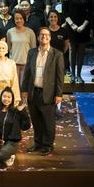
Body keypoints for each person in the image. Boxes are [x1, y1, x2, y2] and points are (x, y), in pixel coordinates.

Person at [21, 27, 64, 156]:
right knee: (36, 120)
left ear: (50, 37)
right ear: (38, 37)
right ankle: (38, 143)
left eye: (46, 35)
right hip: (33, 91)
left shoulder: (57, 54)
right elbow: (27, 72)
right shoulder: (32, 52)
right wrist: (24, 89)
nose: (44, 37)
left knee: (48, 121)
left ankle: (48, 145)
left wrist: (59, 94)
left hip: (48, 93)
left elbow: (59, 76)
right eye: (41, 35)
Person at [0, 87, 31, 168]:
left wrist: (23, 112)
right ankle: (4, 156)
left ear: (12, 99)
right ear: (1, 97)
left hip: (11, 143)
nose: (6, 99)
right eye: (4, 96)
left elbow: (26, 127)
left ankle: (10, 156)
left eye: (9, 97)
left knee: (0, 155)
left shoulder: (15, 112)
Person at [62, 0, 92, 84]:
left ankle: (79, 75)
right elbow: (65, 12)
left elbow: (90, 14)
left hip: (84, 28)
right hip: (71, 27)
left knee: (81, 51)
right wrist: (72, 25)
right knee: (72, 50)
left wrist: (83, 26)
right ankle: (73, 75)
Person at [6, 10, 36, 84]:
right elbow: (9, 48)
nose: (19, 20)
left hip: (26, 65)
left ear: (24, 19)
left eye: (21, 18)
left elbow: (33, 50)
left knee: (24, 88)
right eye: (16, 18)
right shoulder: (10, 32)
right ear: (14, 19)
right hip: (13, 64)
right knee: (14, 87)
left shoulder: (30, 32)